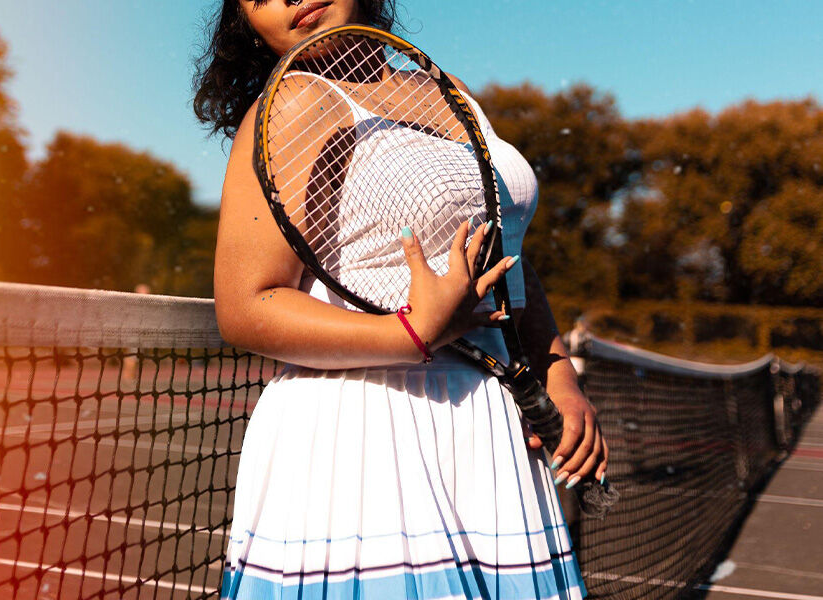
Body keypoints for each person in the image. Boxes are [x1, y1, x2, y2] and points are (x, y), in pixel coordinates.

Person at [193, 1, 608, 598]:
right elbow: (245, 306)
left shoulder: (447, 92)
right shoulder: (292, 106)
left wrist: (558, 375)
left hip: (489, 431)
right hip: (364, 433)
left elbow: (503, 254)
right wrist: (409, 333)